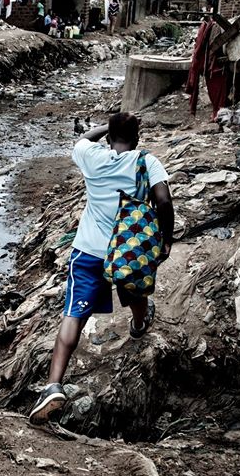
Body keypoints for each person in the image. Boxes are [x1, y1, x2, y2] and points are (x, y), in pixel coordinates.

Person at [28, 113, 175, 425]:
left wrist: (108, 127)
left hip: (89, 251)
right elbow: (163, 200)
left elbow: (84, 139)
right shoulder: (146, 162)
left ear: (110, 138)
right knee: (131, 285)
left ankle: (53, 384)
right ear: (136, 139)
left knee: (74, 314)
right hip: (127, 249)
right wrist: (166, 241)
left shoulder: (91, 157)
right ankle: (138, 323)